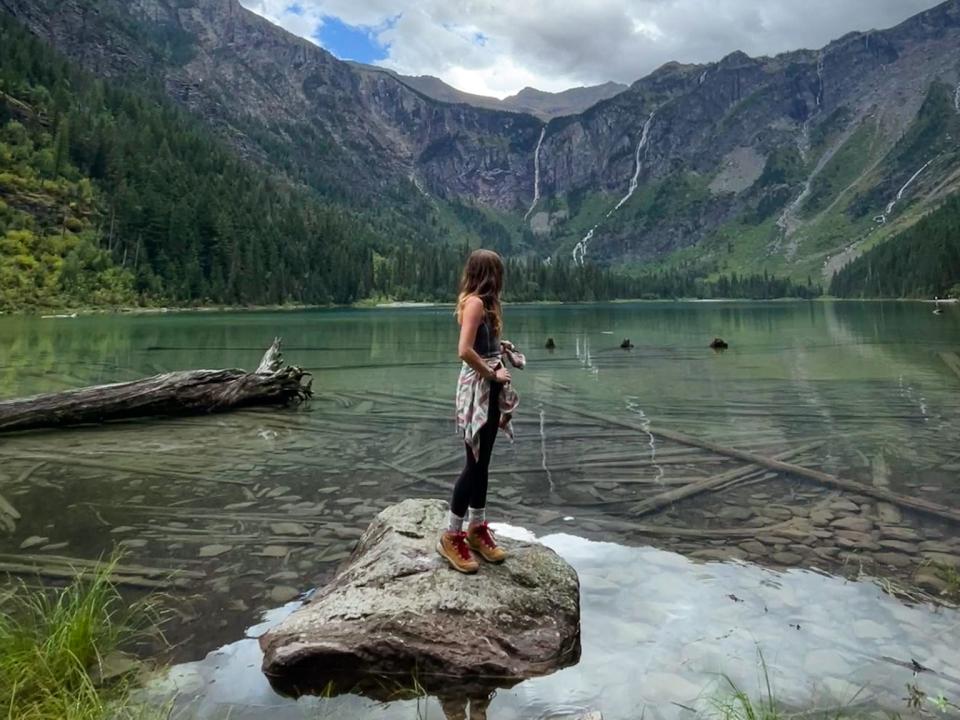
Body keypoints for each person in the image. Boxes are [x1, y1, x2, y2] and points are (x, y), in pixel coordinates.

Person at [438, 249, 523, 574]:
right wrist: (492, 373)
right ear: (489, 274)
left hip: (490, 389)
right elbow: (464, 351)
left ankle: (476, 528)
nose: (501, 279)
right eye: (498, 272)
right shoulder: (475, 303)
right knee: (473, 464)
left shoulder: (487, 306)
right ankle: (452, 535)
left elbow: (481, 347)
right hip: (478, 389)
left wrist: (498, 351)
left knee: (482, 463)